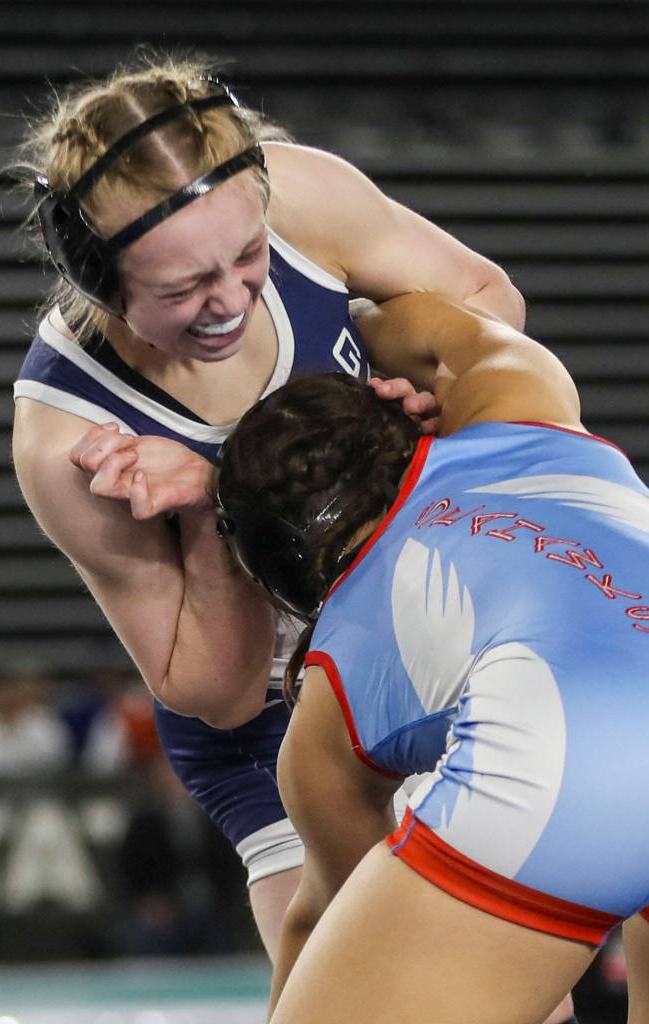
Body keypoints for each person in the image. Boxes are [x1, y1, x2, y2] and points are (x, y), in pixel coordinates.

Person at [10, 51, 526, 965]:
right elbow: (216, 690)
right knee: (365, 980)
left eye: (247, 255)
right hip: (272, 711)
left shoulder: (302, 193)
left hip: (424, 628)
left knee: (517, 990)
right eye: (179, 291)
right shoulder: (70, 440)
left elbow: (488, 304)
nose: (231, 300)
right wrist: (210, 520)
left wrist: (414, 389)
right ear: (96, 276)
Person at [214, 292, 649, 1024]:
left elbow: (324, 922)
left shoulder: (333, 693)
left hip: (579, 772)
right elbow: (410, 312)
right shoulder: (518, 397)